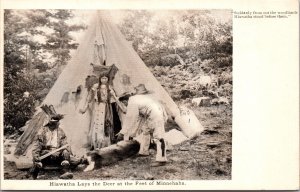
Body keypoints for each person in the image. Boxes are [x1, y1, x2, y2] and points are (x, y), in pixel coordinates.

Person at [117, 84, 168, 167]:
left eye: (124, 103)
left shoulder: (132, 101)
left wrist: (122, 132)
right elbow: (139, 119)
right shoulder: (138, 99)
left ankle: (162, 159)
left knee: (159, 137)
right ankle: (143, 152)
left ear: (125, 100)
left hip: (156, 114)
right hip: (150, 114)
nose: (124, 105)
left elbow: (131, 118)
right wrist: (132, 133)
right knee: (145, 131)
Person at [80, 72, 125, 149]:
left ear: (108, 79)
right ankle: (96, 144)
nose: (104, 80)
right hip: (97, 107)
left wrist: (122, 108)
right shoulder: (95, 87)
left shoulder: (109, 88)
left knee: (106, 124)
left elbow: (115, 98)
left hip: (107, 108)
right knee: (97, 124)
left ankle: (105, 144)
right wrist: (84, 109)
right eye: (102, 78)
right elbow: (89, 99)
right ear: (100, 79)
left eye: (106, 78)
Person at [31, 114, 73, 179]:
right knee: (39, 160)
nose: (53, 125)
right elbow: (37, 145)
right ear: (49, 123)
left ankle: (65, 172)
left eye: (55, 123)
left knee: (65, 152)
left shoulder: (60, 132)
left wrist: (60, 151)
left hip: (57, 154)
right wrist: (36, 156)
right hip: (45, 154)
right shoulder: (42, 131)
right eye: (52, 123)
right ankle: (37, 172)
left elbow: (64, 144)